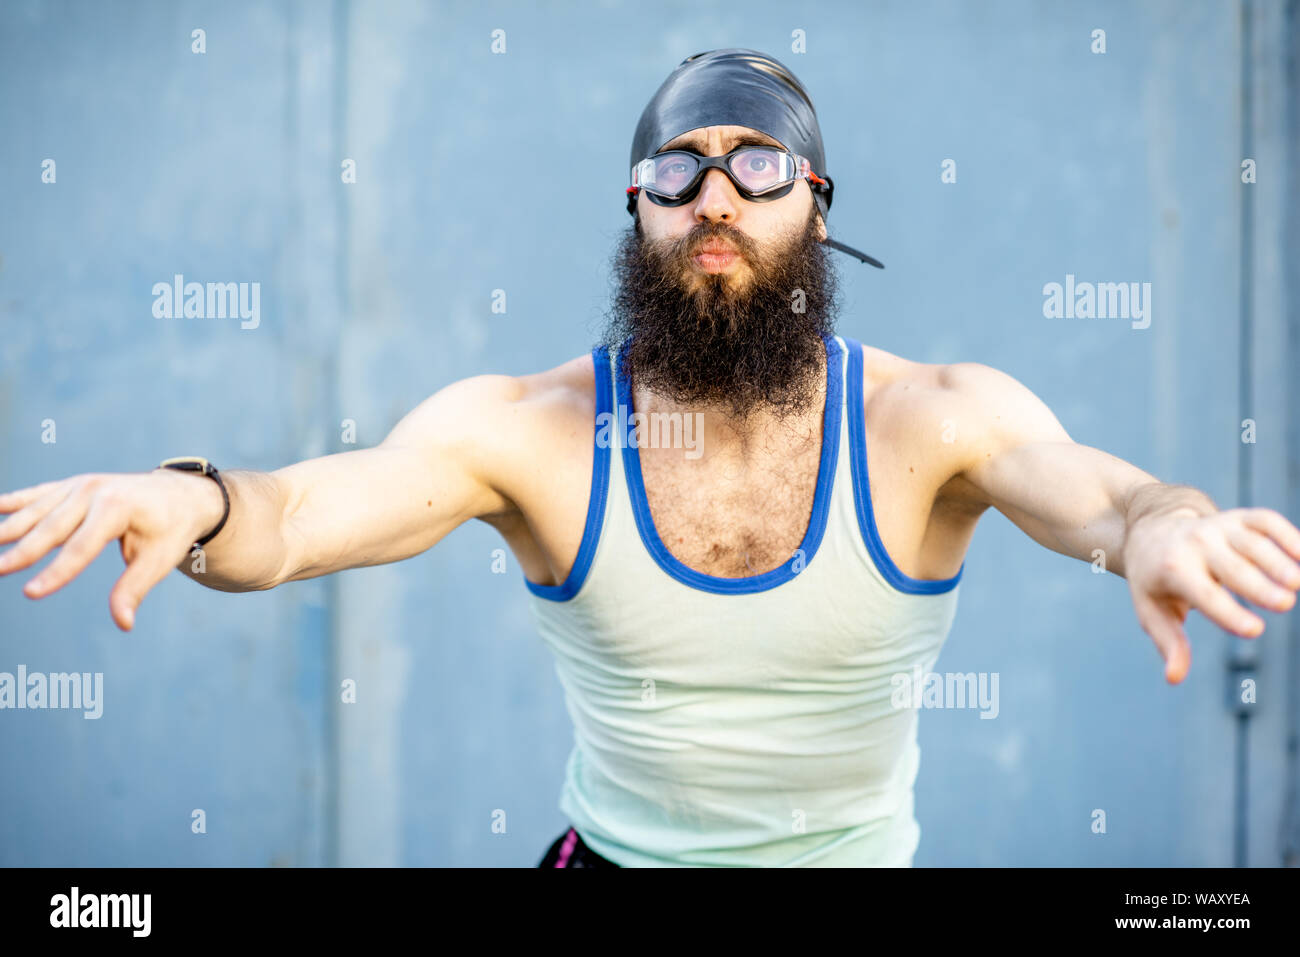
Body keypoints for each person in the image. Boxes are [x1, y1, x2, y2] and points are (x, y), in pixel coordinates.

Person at [2, 49, 1298, 868]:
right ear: (637, 209)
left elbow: (1114, 496)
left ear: (821, 206)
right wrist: (194, 495)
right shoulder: (528, 432)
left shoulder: (929, 421)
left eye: (759, 164)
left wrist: (1168, 527)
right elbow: (292, 517)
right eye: (677, 169)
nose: (715, 196)